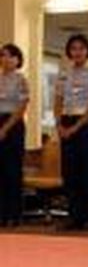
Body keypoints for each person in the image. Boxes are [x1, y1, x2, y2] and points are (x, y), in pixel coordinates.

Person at [55, 34, 88, 231]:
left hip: (86, 124)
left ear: (87, 51)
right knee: (70, 172)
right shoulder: (63, 74)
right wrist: (58, 124)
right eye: (74, 48)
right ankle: (74, 216)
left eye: (81, 48)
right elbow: (57, 101)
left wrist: (76, 127)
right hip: (66, 122)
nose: (77, 52)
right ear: (69, 52)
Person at [0, 44, 29, 227]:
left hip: (13, 124)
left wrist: (5, 129)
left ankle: (14, 214)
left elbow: (22, 107)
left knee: (12, 170)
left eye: (10, 56)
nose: (6, 59)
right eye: (3, 56)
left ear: (18, 60)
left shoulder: (21, 80)